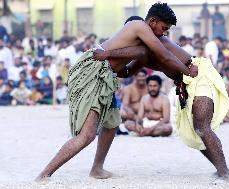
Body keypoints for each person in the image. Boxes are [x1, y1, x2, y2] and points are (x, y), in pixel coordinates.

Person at [36, 3, 195, 181]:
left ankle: (97, 168)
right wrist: (189, 71)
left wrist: (117, 54)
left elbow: (127, 71)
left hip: (107, 78)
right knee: (86, 136)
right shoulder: (138, 25)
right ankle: (45, 174)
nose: (164, 33)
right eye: (163, 28)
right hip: (95, 73)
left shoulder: (142, 47)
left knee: (111, 124)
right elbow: (164, 55)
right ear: (152, 21)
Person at [94, 17, 229, 179]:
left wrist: (108, 53)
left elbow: (166, 57)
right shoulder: (143, 52)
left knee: (202, 127)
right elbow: (128, 72)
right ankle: (221, 169)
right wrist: (109, 64)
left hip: (197, 73)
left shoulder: (160, 41)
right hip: (185, 83)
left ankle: (224, 173)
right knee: (195, 130)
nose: (165, 31)